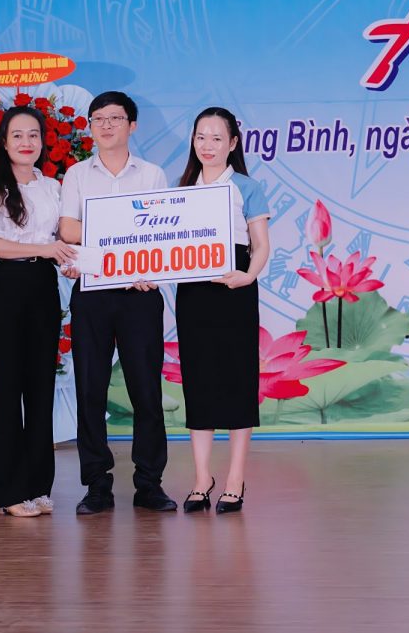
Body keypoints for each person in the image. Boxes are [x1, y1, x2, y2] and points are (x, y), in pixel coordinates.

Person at [59, 91, 177, 515]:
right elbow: (68, 230)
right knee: (90, 389)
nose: (106, 125)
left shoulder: (152, 174)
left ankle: (149, 483)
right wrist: (125, 229)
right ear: (90, 126)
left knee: (146, 390)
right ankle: (97, 485)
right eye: (98, 119)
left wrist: (107, 233)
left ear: (132, 125)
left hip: (140, 292)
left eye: (115, 118)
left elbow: (160, 233)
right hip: (91, 291)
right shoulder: (76, 174)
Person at [0, 106, 76, 518]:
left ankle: (39, 487)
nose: (26, 142)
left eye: (33, 135)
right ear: (4, 142)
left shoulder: (53, 187)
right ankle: (11, 494)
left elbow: (65, 240)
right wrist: (45, 249)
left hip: (44, 287)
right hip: (6, 287)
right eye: (17, 135)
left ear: (43, 141)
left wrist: (73, 261)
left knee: (41, 387)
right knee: (8, 388)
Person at [172, 108, 271, 514]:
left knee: (237, 381)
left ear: (232, 143)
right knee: (198, 381)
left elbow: (261, 245)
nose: (207, 145)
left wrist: (248, 276)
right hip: (193, 293)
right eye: (201, 137)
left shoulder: (247, 187)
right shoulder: (181, 189)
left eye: (216, 138)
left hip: (235, 290)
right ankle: (201, 479)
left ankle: (234, 479)